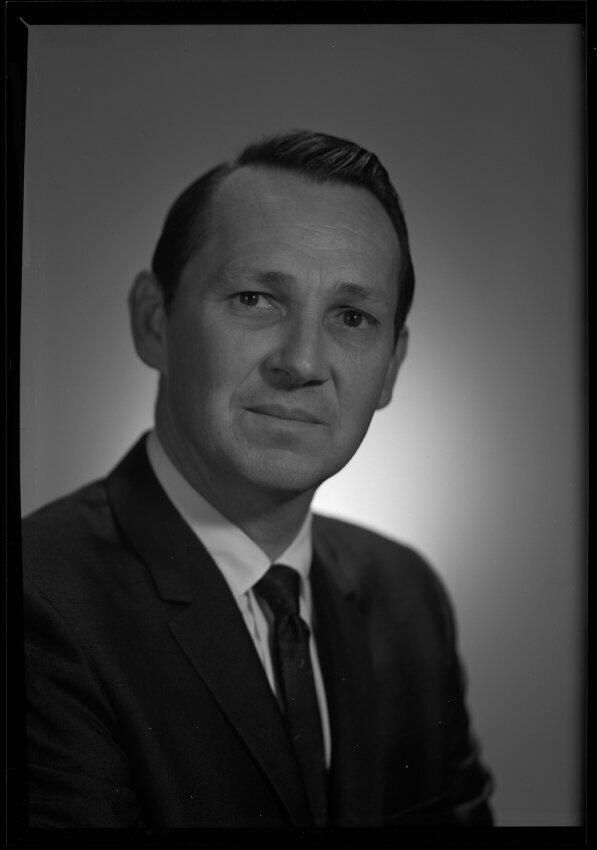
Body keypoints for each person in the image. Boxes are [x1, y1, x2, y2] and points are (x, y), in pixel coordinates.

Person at [23, 129, 494, 830]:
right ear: (154, 321)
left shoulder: (407, 596)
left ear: (391, 368)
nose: (301, 363)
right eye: (254, 299)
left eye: (352, 317)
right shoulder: (36, 602)